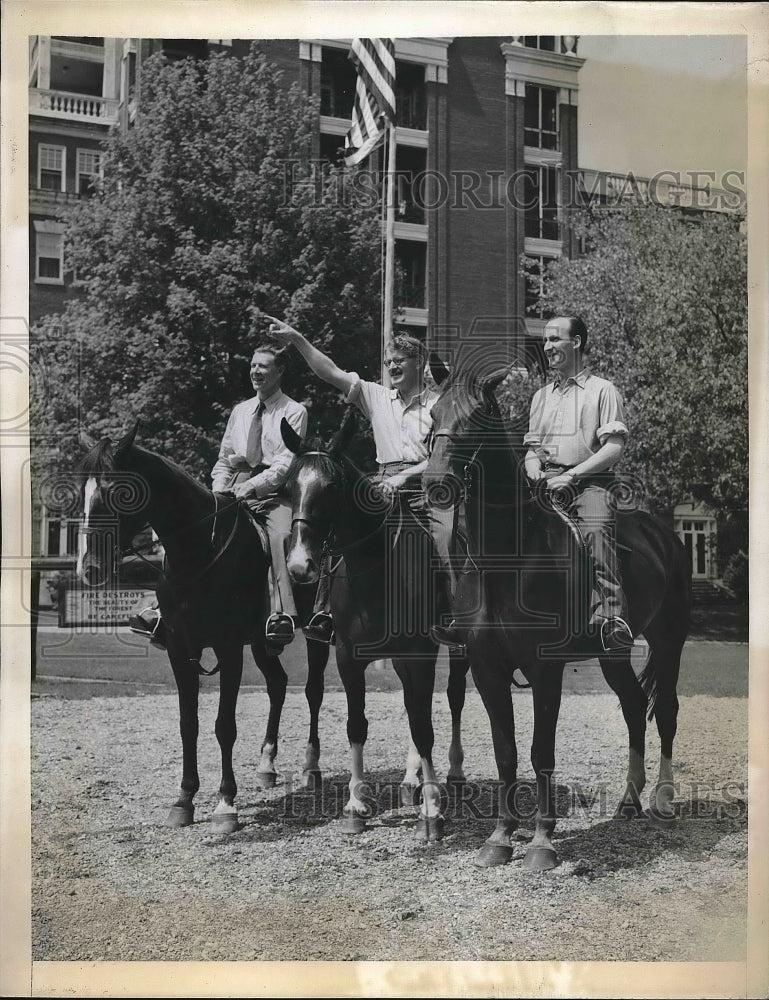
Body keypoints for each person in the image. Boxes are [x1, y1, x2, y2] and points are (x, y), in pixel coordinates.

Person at [266, 316, 457, 647]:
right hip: (381, 487)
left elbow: (441, 457)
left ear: (418, 362)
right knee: (339, 526)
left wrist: (405, 477)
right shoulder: (375, 396)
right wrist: (297, 338)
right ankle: (325, 613)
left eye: (399, 361)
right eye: (388, 362)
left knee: (447, 536)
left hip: (428, 486)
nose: (392, 367)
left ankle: (456, 615)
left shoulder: (438, 403)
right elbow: (329, 371)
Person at [129, 342, 307, 649]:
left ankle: (280, 614)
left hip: (272, 494)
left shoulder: (294, 411)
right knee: (190, 530)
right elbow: (225, 458)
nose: (255, 371)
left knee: (280, 535)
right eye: (253, 365)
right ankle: (164, 612)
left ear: (280, 371)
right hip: (231, 489)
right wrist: (216, 492)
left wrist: (253, 486)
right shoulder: (240, 411)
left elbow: (285, 463)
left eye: (263, 366)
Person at [523, 315, 634, 652]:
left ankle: (612, 618)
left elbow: (614, 448)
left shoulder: (603, 389)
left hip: (590, 484)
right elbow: (532, 451)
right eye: (545, 341)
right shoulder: (541, 397)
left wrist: (571, 476)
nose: (547, 347)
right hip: (545, 486)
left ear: (577, 342)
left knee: (597, 531)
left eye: (555, 339)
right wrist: (535, 472)